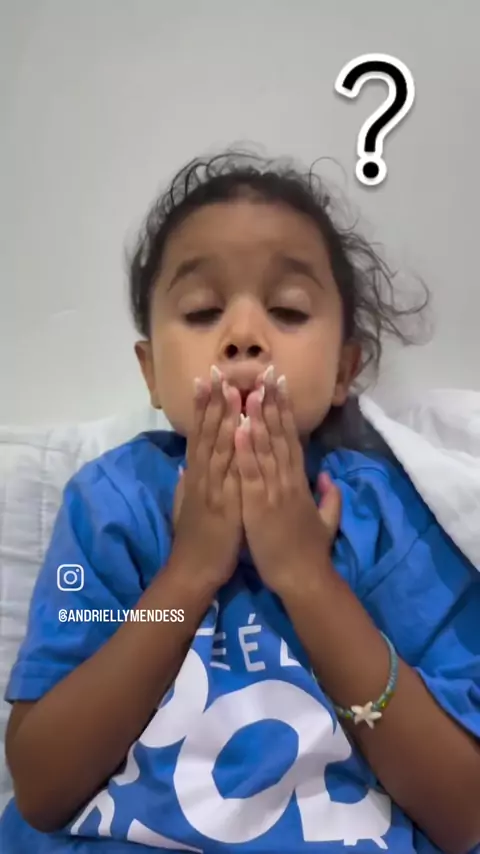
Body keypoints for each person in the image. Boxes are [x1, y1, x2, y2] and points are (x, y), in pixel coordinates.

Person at [1, 151, 480, 854]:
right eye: (202, 311)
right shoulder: (112, 507)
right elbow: (43, 786)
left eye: (288, 310)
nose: (245, 336)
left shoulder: (396, 521)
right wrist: (187, 575)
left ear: (344, 369)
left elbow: (462, 813)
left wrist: (307, 580)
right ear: (151, 373)